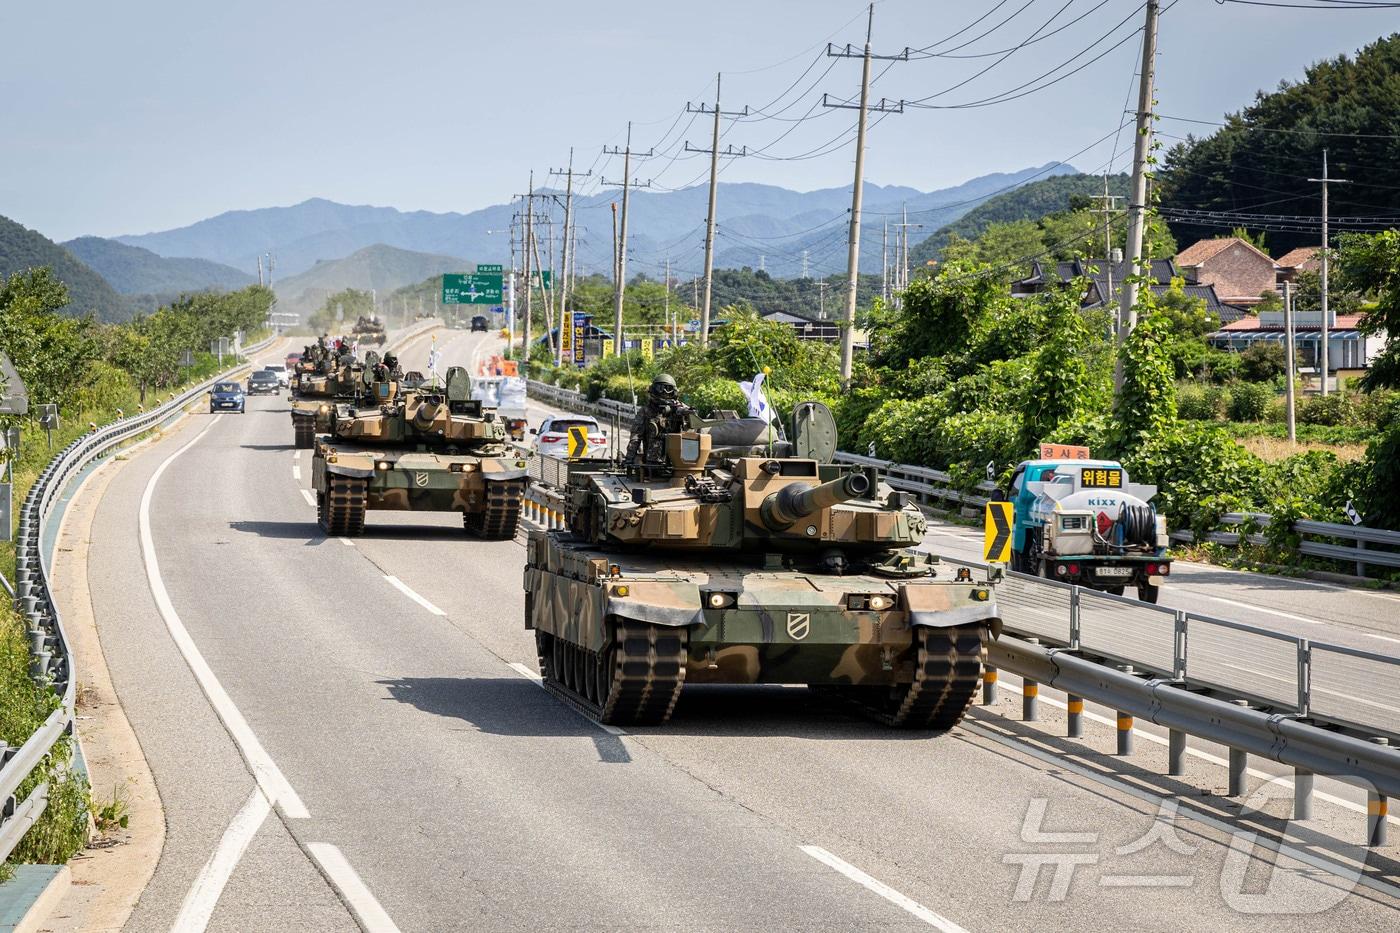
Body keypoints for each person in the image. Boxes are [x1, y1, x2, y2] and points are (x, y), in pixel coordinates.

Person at [624, 374, 693, 467]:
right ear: (653, 389)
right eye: (660, 388)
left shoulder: (680, 408)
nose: (664, 392)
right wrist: (629, 459)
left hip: (678, 461)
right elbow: (636, 437)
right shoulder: (646, 411)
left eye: (668, 388)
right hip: (653, 463)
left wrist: (687, 414)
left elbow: (693, 432)